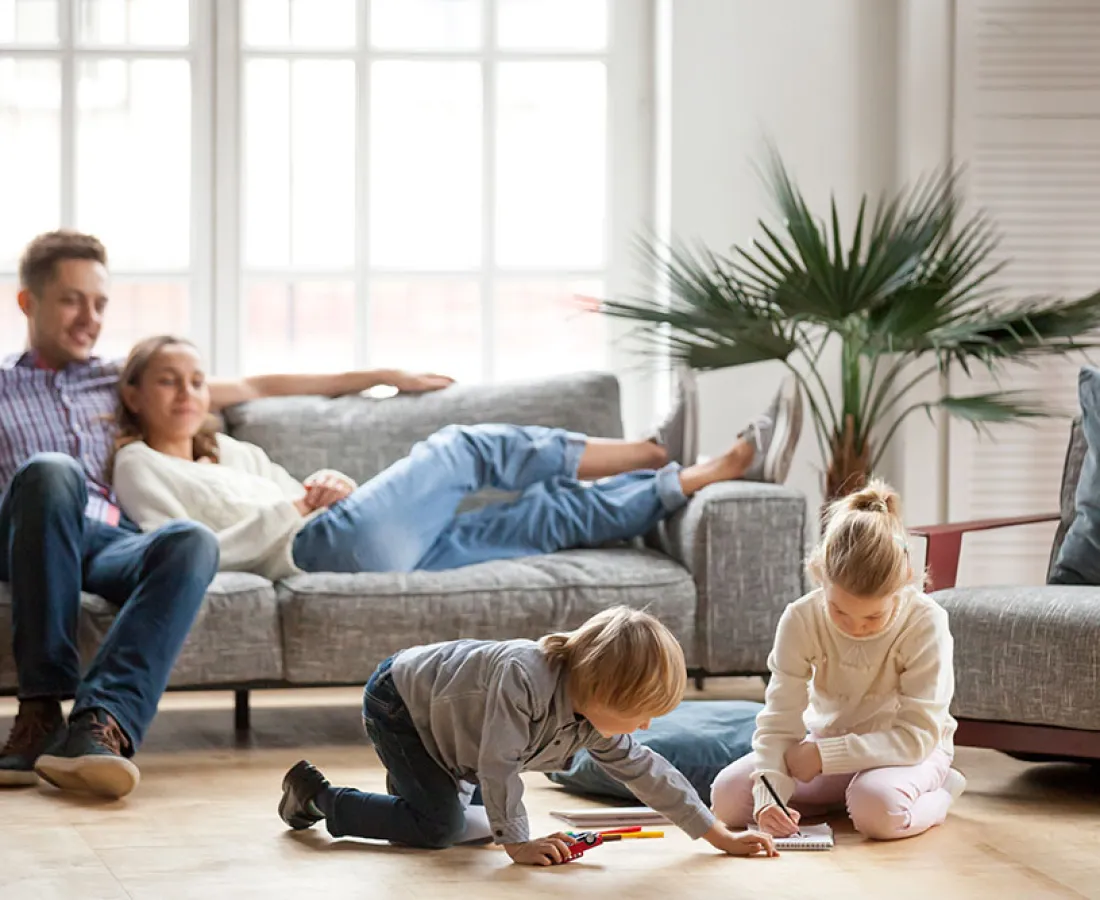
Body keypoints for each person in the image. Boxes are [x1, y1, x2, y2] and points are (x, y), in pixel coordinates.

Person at [0, 230, 453, 798]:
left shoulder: (116, 379)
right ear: (28, 302)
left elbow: (256, 385)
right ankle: (40, 709)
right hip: (30, 532)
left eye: (99, 303)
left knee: (188, 539)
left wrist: (381, 376)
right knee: (53, 470)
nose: (88, 317)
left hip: (107, 540)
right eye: (71, 300)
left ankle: (99, 726)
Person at [109, 335, 803, 578]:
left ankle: (701, 473)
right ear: (134, 394)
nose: (187, 392)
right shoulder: (138, 465)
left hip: (353, 536)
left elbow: (305, 490)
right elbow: (179, 550)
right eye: (168, 380)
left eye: (196, 380)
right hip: (314, 549)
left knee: (544, 517)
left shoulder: (231, 449)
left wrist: (326, 483)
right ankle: (652, 449)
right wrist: (297, 507)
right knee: (465, 447)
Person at [277, 606, 778, 863]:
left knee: (468, 829)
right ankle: (318, 797)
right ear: (602, 690)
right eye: (639, 713)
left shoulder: (593, 719)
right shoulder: (524, 676)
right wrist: (519, 843)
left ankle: (414, 797)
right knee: (441, 829)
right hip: (403, 705)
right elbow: (498, 764)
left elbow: (650, 773)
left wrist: (720, 836)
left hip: (454, 735)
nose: (645, 727)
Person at [709, 480, 966, 842]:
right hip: (826, 745)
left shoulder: (927, 622)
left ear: (906, 581)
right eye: (839, 611)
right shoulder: (800, 617)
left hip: (909, 753)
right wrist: (770, 798)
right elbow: (779, 721)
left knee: (877, 810)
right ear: (819, 574)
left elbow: (916, 737)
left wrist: (824, 756)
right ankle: (843, 798)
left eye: (873, 618)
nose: (855, 627)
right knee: (727, 799)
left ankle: (938, 795)